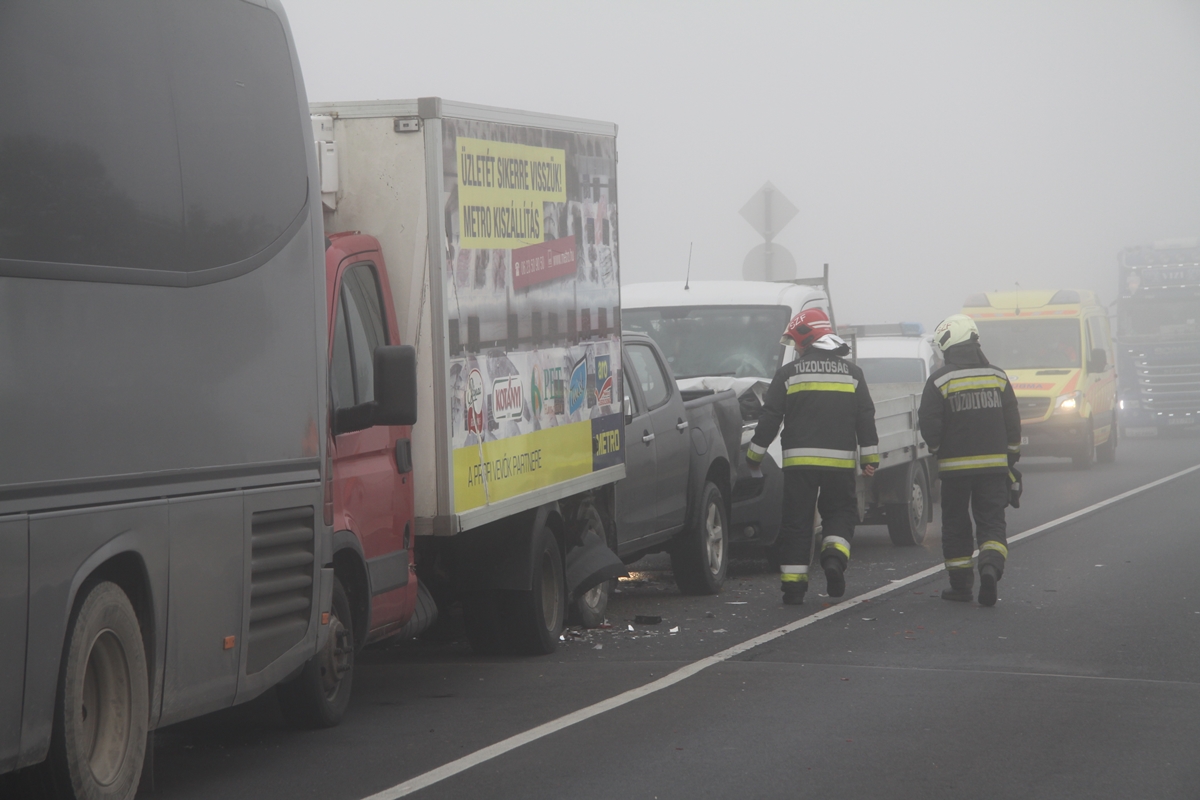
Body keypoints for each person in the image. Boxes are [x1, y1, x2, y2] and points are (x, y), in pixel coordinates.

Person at [747, 309, 879, 605]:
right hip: (839, 464)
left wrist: (754, 455)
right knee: (841, 513)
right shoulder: (853, 374)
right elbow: (865, 417)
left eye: (795, 341)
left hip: (798, 465)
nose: (794, 348)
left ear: (808, 339)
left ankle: (793, 588)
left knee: (797, 522)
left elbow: (770, 417)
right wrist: (870, 458)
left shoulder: (787, 374)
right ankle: (833, 558)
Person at [918, 314, 1021, 607]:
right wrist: (1011, 459)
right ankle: (990, 566)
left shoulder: (939, 380)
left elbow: (929, 423)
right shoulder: (998, 376)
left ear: (948, 346)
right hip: (993, 469)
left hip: (954, 470)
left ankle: (961, 587)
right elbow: (1013, 423)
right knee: (991, 522)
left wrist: (939, 448)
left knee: (955, 524)